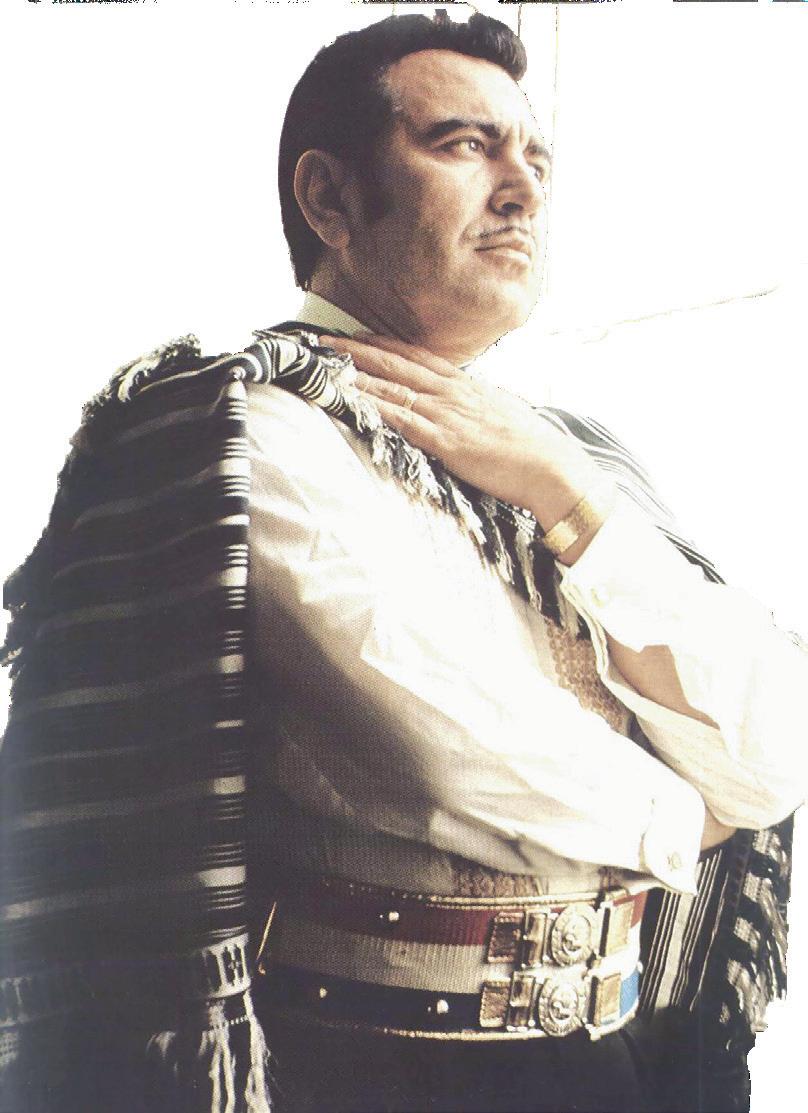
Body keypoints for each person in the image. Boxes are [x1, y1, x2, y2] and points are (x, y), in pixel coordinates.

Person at [0, 11, 802, 1113]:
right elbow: (459, 759)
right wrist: (695, 814)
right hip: (373, 1070)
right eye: (465, 144)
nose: (522, 191)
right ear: (328, 198)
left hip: (614, 1062)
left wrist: (567, 495)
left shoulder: (567, 454)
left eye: (535, 158)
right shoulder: (233, 428)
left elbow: (773, 741)